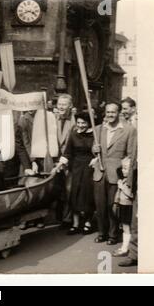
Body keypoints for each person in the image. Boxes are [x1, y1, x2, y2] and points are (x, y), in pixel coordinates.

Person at [92, 102, 137, 245]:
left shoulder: (129, 130)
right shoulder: (98, 129)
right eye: (108, 112)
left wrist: (127, 178)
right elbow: (94, 150)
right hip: (99, 172)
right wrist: (95, 149)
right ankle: (101, 233)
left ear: (119, 113)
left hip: (116, 174)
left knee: (113, 206)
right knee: (100, 205)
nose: (110, 115)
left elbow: (130, 155)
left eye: (113, 112)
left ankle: (113, 235)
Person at [56, 111, 95, 235]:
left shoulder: (95, 135)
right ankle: (76, 223)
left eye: (83, 123)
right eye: (78, 123)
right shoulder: (73, 135)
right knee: (74, 194)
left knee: (87, 195)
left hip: (90, 167)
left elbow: (97, 151)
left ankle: (88, 222)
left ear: (88, 123)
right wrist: (61, 163)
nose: (80, 125)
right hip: (76, 168)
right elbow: (67, 152)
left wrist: (96, 159)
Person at [54, 94, 76, 228]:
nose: (61, 107)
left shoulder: (74, 122)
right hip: (54, 160)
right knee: (57, 189)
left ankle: (67, 219)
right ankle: (57, 216)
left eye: (64, 104)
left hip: (69, 161)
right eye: (59, 104)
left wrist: (65, 160)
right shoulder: (52, 119)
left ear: (70, 106)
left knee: (69, 190)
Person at [112, 157, 134, 257]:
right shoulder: (124, 179)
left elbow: (131, 195)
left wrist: (122, 187)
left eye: (125, 168)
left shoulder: (130, 181)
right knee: (125, 227)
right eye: (123, 168)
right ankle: (125, 247)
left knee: (126, 228)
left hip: (128, 206)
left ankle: (125, 248)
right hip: (123, 205)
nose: (122, 170)